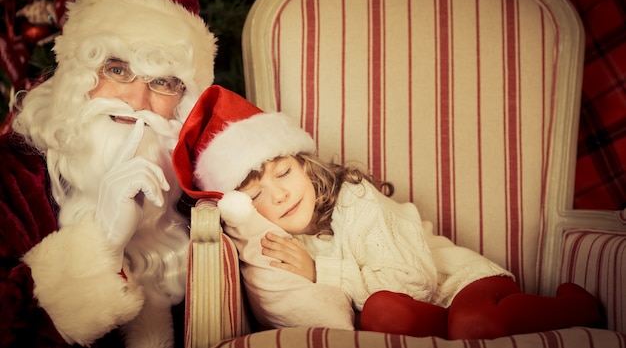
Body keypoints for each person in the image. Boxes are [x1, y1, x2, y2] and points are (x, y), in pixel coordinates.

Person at [175, 86, 604, 340]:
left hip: (460, 285)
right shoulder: (283, 243)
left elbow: (415, 282)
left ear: (306, 164)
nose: (281, 194)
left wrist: (319, 271)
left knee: (471, 322)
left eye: (284, 172)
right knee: (382, 313)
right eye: (255, 194)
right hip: (427, 317)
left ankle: (576, 309)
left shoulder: (354, 198)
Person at [0, 0, 216, 348]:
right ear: (76, 78)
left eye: (163, 81)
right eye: (117, 70)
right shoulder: (13, 178)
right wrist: (103, 243)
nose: (136, 100)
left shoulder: (204, 188)